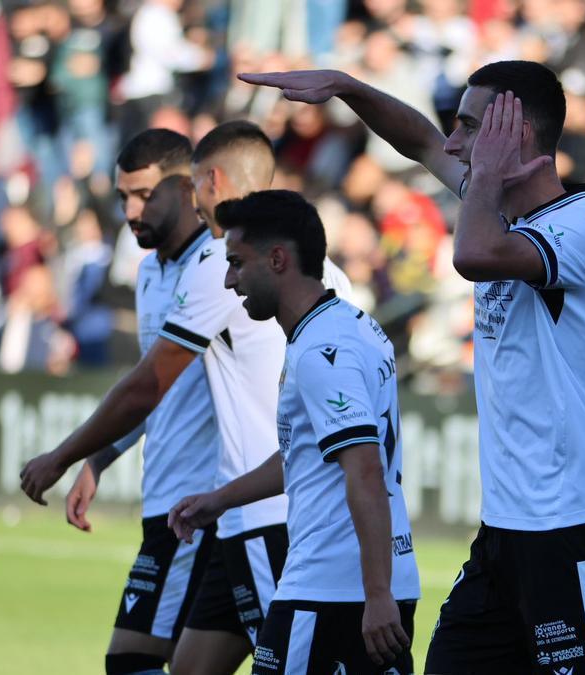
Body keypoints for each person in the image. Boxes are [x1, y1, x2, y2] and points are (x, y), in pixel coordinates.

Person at [243, 60, 585, 672]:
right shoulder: (498, 207)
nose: (454, 143)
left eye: (472, 126)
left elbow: (475, 254)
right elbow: (422, 141)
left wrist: (482, 175)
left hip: (571, 527)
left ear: (519, 138)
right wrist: (349, 87)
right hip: (504, 532)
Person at [167, 189, 420, 674]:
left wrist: (377, 594)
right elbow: (308, 456)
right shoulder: (352, 326)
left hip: (331, 591)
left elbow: (364, 468)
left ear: (278, 259)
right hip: (359, 586)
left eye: (237, 263)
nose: (228, 279)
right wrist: (219, 500)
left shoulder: (321, 350)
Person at [18, 129, 219, 675]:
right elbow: (158, 393)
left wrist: (60, 456)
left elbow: (143, 386)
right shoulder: (150, 271)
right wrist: (100, 459)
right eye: (123, 196)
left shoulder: (220, 266)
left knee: (132, 661)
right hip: (170, 504)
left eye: (145, 195)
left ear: (187, 188)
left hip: (201, 504)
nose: (130, 210)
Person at [161, 120, 354, 673]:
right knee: (191, 667)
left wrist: (72, 456)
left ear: (214, 180)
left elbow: (147, 383)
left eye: (196, 184)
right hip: (245, 508)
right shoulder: (328, 270)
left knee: (299, 664)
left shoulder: (218, 261)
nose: (229, 281)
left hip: (270, 511)